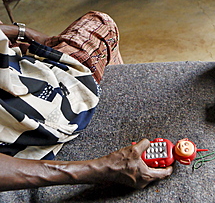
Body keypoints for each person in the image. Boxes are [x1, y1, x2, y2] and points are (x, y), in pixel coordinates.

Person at [0, 11, 172, 191]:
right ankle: (106, 89)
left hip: (14, 80)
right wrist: (100, 168)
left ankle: (111, 87)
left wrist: (19, 33)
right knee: (100, 24)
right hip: (37, 108)